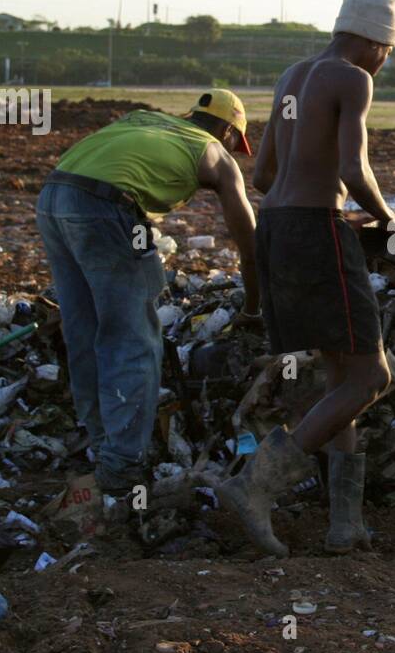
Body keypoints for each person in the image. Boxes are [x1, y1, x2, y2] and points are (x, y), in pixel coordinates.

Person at [232, 0, 395, 557]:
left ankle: (345, 524)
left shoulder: (291, 76)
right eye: (389, 50)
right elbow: (355, 168)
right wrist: (389, 217)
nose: (385, 60)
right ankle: (256, 487)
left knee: (339, 375)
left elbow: (261, 177)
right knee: (369, 377)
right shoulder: (354, 78)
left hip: (275, 229)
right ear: (377, 41)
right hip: (313, 230)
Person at [35, 89, 259, 493]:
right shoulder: (215, 153)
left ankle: (102, 447)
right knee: (133, 338)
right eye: (235, 141)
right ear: (228, 131)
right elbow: (250, 243)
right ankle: (123, 470)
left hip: (54, 197)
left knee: (83, 332)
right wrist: (256, 307)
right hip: (105, 207)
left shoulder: (142, 120)